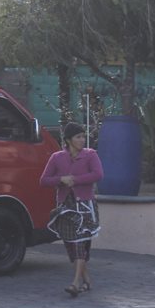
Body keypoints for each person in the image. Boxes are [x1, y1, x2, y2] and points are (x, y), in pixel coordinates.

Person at [40, 122, 104, 297]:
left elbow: (98, 174)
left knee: (80, 243)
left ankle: (75, 283)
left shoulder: (90, 155)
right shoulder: (57, 157)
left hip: (84, 205)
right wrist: (61, 179)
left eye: (83, 136)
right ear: (68, 140)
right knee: (71, 244)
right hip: (66, 206)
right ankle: (87, 279)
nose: (82, 140)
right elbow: (44, 180)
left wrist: (75, 179)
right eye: (78, 137)